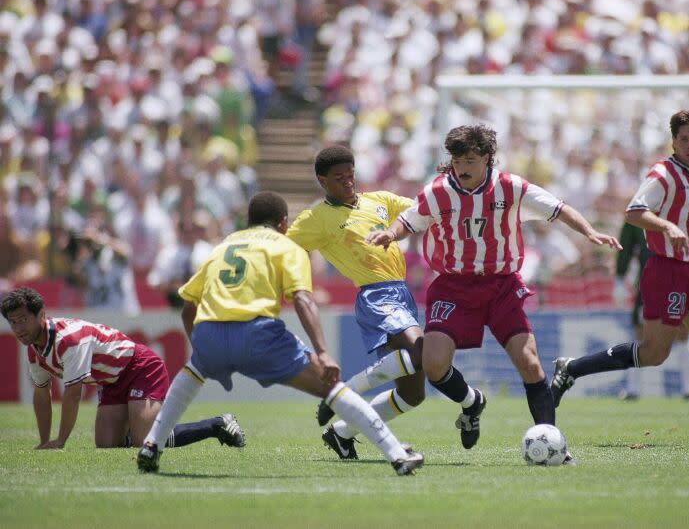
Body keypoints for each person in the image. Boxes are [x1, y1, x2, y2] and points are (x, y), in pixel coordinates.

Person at [368, 124, 621, 450]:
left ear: (487, 158)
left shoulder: (511, 188)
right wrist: (390, 234)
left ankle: (552, 443)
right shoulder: (438, 192)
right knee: (433, 365)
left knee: (529, 363)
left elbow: (558, 209)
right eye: (457, 160)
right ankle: (471, 403)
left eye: (470, 160)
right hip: (453, 287)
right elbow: (408, 221)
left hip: (502, 286)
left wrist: (590, 233)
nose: (462, 168)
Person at [137, 191, 423, 475]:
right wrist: (323, 352)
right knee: (331, 389)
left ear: (249, 221)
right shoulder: (286, 248)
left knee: (190, 374)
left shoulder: (224, 245)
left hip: (210, 331)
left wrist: (199, 343)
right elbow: (302, 299)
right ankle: (397, 456)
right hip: (258, 334)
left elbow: (189, 303)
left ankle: (152, 445)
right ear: (284, 223)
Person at [551, 109, 689, 446]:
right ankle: (572, 368)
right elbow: (634, 211)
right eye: (684, 139)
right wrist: (666, 227)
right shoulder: (663, 174)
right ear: (674, 141)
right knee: (654, 353)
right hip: (666, 269)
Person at [286, 145, 425, 460]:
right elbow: (284, 248)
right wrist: (300, 284)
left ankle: (342, 433)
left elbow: (421, 211)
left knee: (413, 394)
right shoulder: (317, 218)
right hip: (375, 294)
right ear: (323, 181)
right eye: (339, 178)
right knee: (419, 350)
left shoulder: (379, 200)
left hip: (402, 292)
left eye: (351, 175)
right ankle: (343, 392)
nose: (348, 182)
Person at [1, 287, 245, 451]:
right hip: (112, 381)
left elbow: (73, 393)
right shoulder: (34, 349)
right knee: (107, 446)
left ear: (41, 315)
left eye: (24, 319)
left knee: (146, 441)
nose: (19, 328)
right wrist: (45, 441)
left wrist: (60, 441)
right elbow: (41, 395)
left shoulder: (69, 339)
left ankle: (217, 424)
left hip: (140, 367)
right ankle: (135, 423)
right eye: (13, 322)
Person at [614, 221, 689, 400]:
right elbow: (625, 248)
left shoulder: (679, 208)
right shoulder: (635, 215)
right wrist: (620, 278)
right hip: (648, 282)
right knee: (641, 332)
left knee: (682, 331)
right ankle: (632, 389)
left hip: (679, 280)